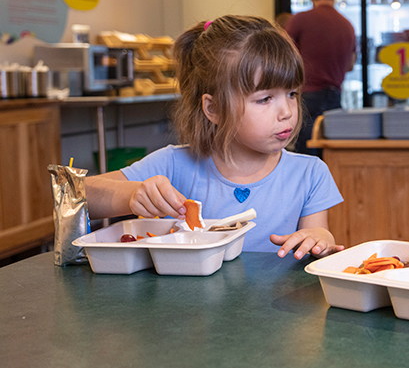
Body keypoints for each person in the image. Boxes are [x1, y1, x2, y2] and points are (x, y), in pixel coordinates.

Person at [86, 15, 344, 259]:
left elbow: (317, 237)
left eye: (292, 94)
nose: (287, 112)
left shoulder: (310, 174)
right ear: (214, 109)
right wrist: (132, 195)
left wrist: (319, 239)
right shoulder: (173, 165)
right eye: (265, 99)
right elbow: (77, 196)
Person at [285, 0, 357, 156]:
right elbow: (350, 65)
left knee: (305, 157)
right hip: (335, 98)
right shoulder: (347, 25)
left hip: (307, 98)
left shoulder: (300, 20)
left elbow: (283, 57)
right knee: (332, 155)